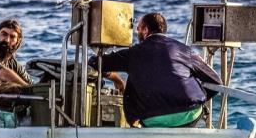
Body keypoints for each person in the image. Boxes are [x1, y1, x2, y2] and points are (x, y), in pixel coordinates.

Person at [92, 12, 220, 127]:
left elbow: (95, 62)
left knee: (133, 76)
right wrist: (198, 99)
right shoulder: (184, 50)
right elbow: (215, 80)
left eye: (138, 28)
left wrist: (115, 78)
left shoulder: (133, 54)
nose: (137, 32)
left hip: (152, 118)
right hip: (188, 114)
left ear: (146, 30)